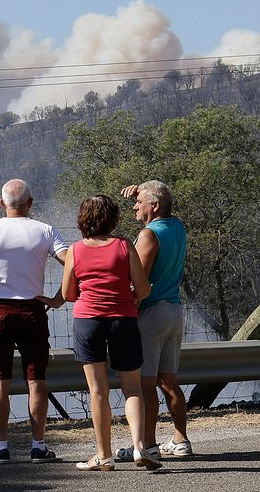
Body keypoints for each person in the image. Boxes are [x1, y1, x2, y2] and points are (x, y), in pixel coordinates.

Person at [45, 194, 161, 471]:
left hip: (89, 321)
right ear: (112, 218)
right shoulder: (124, 246)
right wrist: (128, 296)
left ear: (83, 219)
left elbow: (68, 293)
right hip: (123, 319)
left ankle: (103, 455)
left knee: (98, 391)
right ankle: (140, 448)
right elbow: (143, 289)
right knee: (132, 388)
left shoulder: (75, 250)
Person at [0, 179, 68, 465]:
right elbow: (73, 262)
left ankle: (0, 447)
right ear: (30, 203)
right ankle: (38, 446)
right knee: (36, 380)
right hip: (33, 311)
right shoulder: (45, 231)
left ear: (2, 204)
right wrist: (60, 297)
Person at [115, 180, 191, 462]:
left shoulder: (148, 235)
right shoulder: (178, 227)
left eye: (139, 202)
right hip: (173, 310)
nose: (134, 206)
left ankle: (147, 445)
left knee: (145, 384)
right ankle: (181, 440)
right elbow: (161, 199)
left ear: (154, 206)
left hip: (151, 312)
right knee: (169, 381)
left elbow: (139, 283)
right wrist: (141, 192)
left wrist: (125, 309)